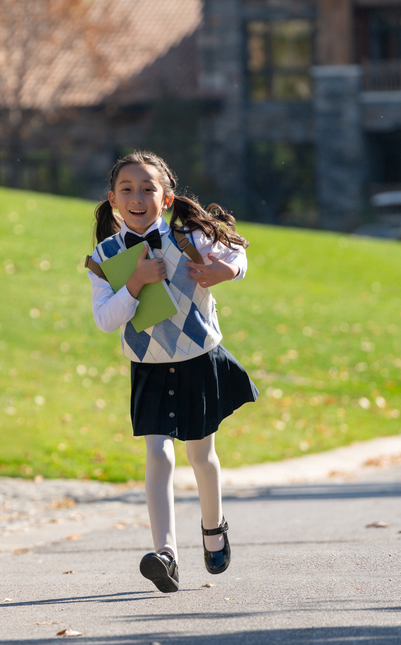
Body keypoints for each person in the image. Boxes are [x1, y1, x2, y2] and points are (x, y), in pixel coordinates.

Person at [86, 151, 258, 593]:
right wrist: (135, 281)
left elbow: (236, 255)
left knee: (201, 455)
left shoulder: (191, 238)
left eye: (148, 189)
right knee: (159, 454)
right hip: (149, 369)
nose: (137, 197)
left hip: (197, 360)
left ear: (166, 199)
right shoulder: (105, 256)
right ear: (113, 200)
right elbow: (106, 319)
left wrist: (225, 270)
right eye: (127, 190)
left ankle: (213, 528)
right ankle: (166, 554)